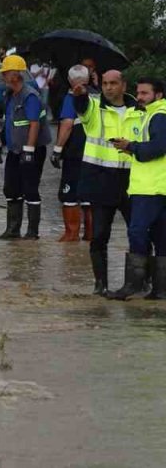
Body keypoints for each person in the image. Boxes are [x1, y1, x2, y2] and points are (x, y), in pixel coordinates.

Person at [71, 69, 144, 295]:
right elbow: (82, 109)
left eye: (113, 83)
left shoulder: (140, 110)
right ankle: (100, 284)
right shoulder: (94, 107)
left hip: (132, 182)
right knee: (100, 235)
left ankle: (138, 283)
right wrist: (79, 95)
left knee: (139, 234)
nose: (109, 87)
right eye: (104, 83)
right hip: (101, 179)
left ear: (123, 85)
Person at [106, 78, 166, 300]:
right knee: (161, 236)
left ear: (158, 95)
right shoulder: (156, 114)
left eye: (144, 93)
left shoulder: (158, 115)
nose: (139, 97)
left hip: (150, 186)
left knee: (136, 231)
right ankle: (160, 290)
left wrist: (130, 146)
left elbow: (159, 147)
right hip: (159, 185)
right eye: (138, 92)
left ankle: (134, 285)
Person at [0, 54, 52, 240]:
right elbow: (9, 122)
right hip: (14, 150)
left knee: (30, 188)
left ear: (17, 74)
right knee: (11, 188)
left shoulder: (30, 96)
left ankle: (32, 233)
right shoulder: (10, 96)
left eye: (6, 72)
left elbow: (34, 124)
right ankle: (12, 230)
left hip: (31, 150)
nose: (3, 76)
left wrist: (29, 150)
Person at [51, 64, 92, 242]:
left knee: (69, 194)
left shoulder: (71, 97)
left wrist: (57, 149)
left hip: (74, 153)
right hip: (95, 154)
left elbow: (67, 125)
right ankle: (91, 234)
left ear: (69, 80)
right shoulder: (98, 95)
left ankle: (71, 234)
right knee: (89, 195)